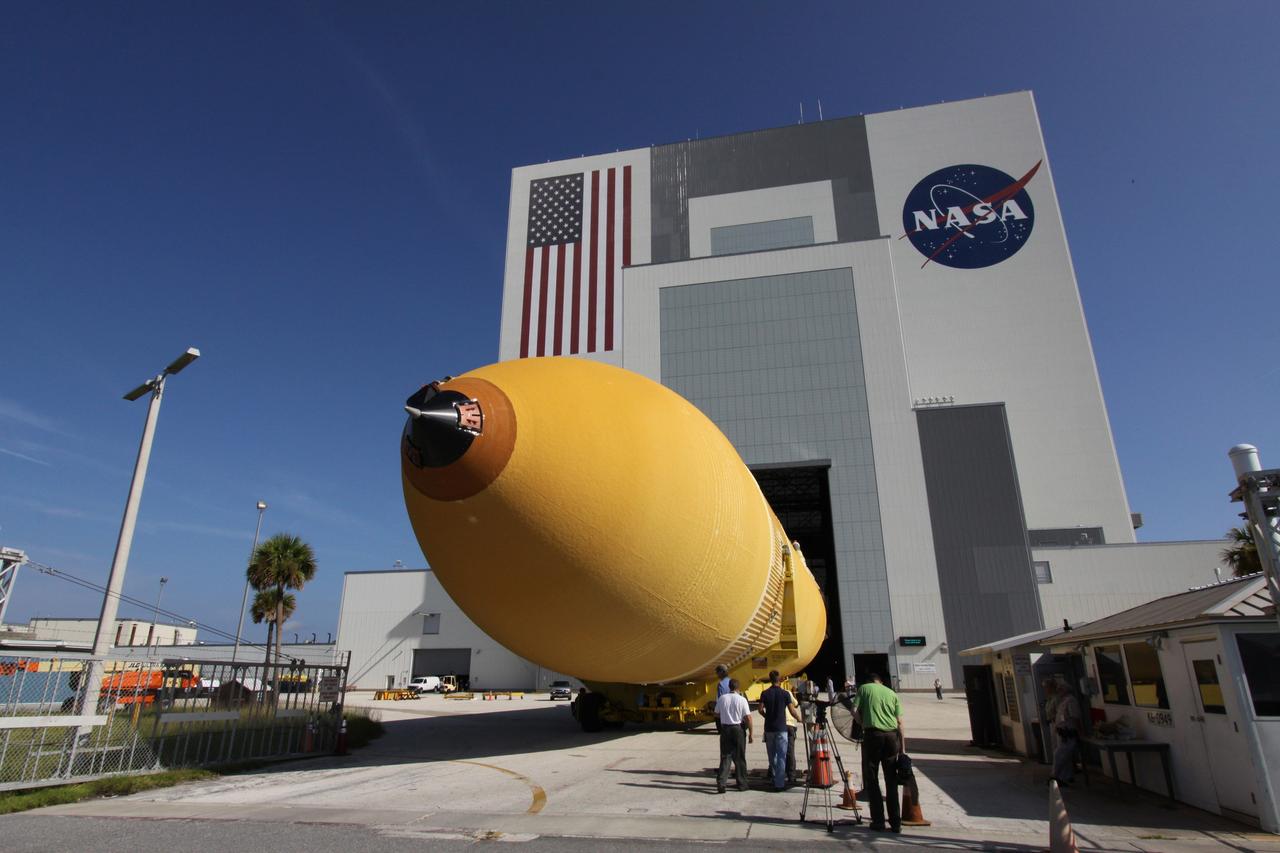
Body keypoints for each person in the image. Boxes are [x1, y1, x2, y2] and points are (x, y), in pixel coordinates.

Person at [854, 672, 905, 833]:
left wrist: (862, 724)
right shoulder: (891, 693)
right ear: (881, 681)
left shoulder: (864, 689)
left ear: (869, 681)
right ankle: (896, 822)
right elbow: (900, 722)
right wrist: (903, 749)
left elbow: (854, 710)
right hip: (892, 736)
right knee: (891, 779)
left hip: (873, 734)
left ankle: (878, 821)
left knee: (873, 777)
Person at [758, 670, 802, 791]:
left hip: (769, 729)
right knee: (782, 755)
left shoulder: (765, 693)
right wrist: (799, 718)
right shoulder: (785, 694)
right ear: (780, 680)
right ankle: (779, 783)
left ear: (770, 679)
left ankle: (774, 777)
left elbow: (760, 709)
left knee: (772, 756)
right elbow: (792, 710)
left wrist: (766, 716)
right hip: (781, 728)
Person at [714, 678, 752, 793]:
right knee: (740, 757)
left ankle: (721, 783)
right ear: (738, 687)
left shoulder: (722, 698)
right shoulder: (742, 700)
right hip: (738, 729)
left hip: (725, 729)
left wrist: (725, 717)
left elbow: (716, 714)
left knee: (726, 757)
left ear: (729, 687)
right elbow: (748, 717)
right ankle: (742, 783)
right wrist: (751, 733)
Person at [1051, 681, 1082, 786]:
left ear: (1065, 690)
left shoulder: (1071, 701)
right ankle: (1065, 777)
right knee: (1065, 756)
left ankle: (1056, 776)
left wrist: (1079, 731)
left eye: (1060, 689)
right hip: (1062, 732)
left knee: (1060, 755)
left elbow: (1075, 718)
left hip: (1068, 733)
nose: (1058, 691)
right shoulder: (1064, 701)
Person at [714, 664, 730, 734]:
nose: (717, 674)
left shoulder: (721, 684)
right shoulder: (731, 681)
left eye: (717, 672)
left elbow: (720, 699)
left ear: (721, 672)